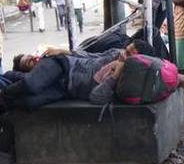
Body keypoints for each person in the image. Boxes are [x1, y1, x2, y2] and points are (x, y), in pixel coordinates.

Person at [0, 40, 159, 111]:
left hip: (65, 89)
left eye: (129, 55)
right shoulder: (116, 52)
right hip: (63, 66)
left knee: (29, 102)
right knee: (31, 85)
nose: (123, 54)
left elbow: (96, 98)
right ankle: (4, 91)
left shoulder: (124, 83)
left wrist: (115, 75)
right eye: (126, 49)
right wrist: (66, 51)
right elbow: (91, 56)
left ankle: (9, 78)